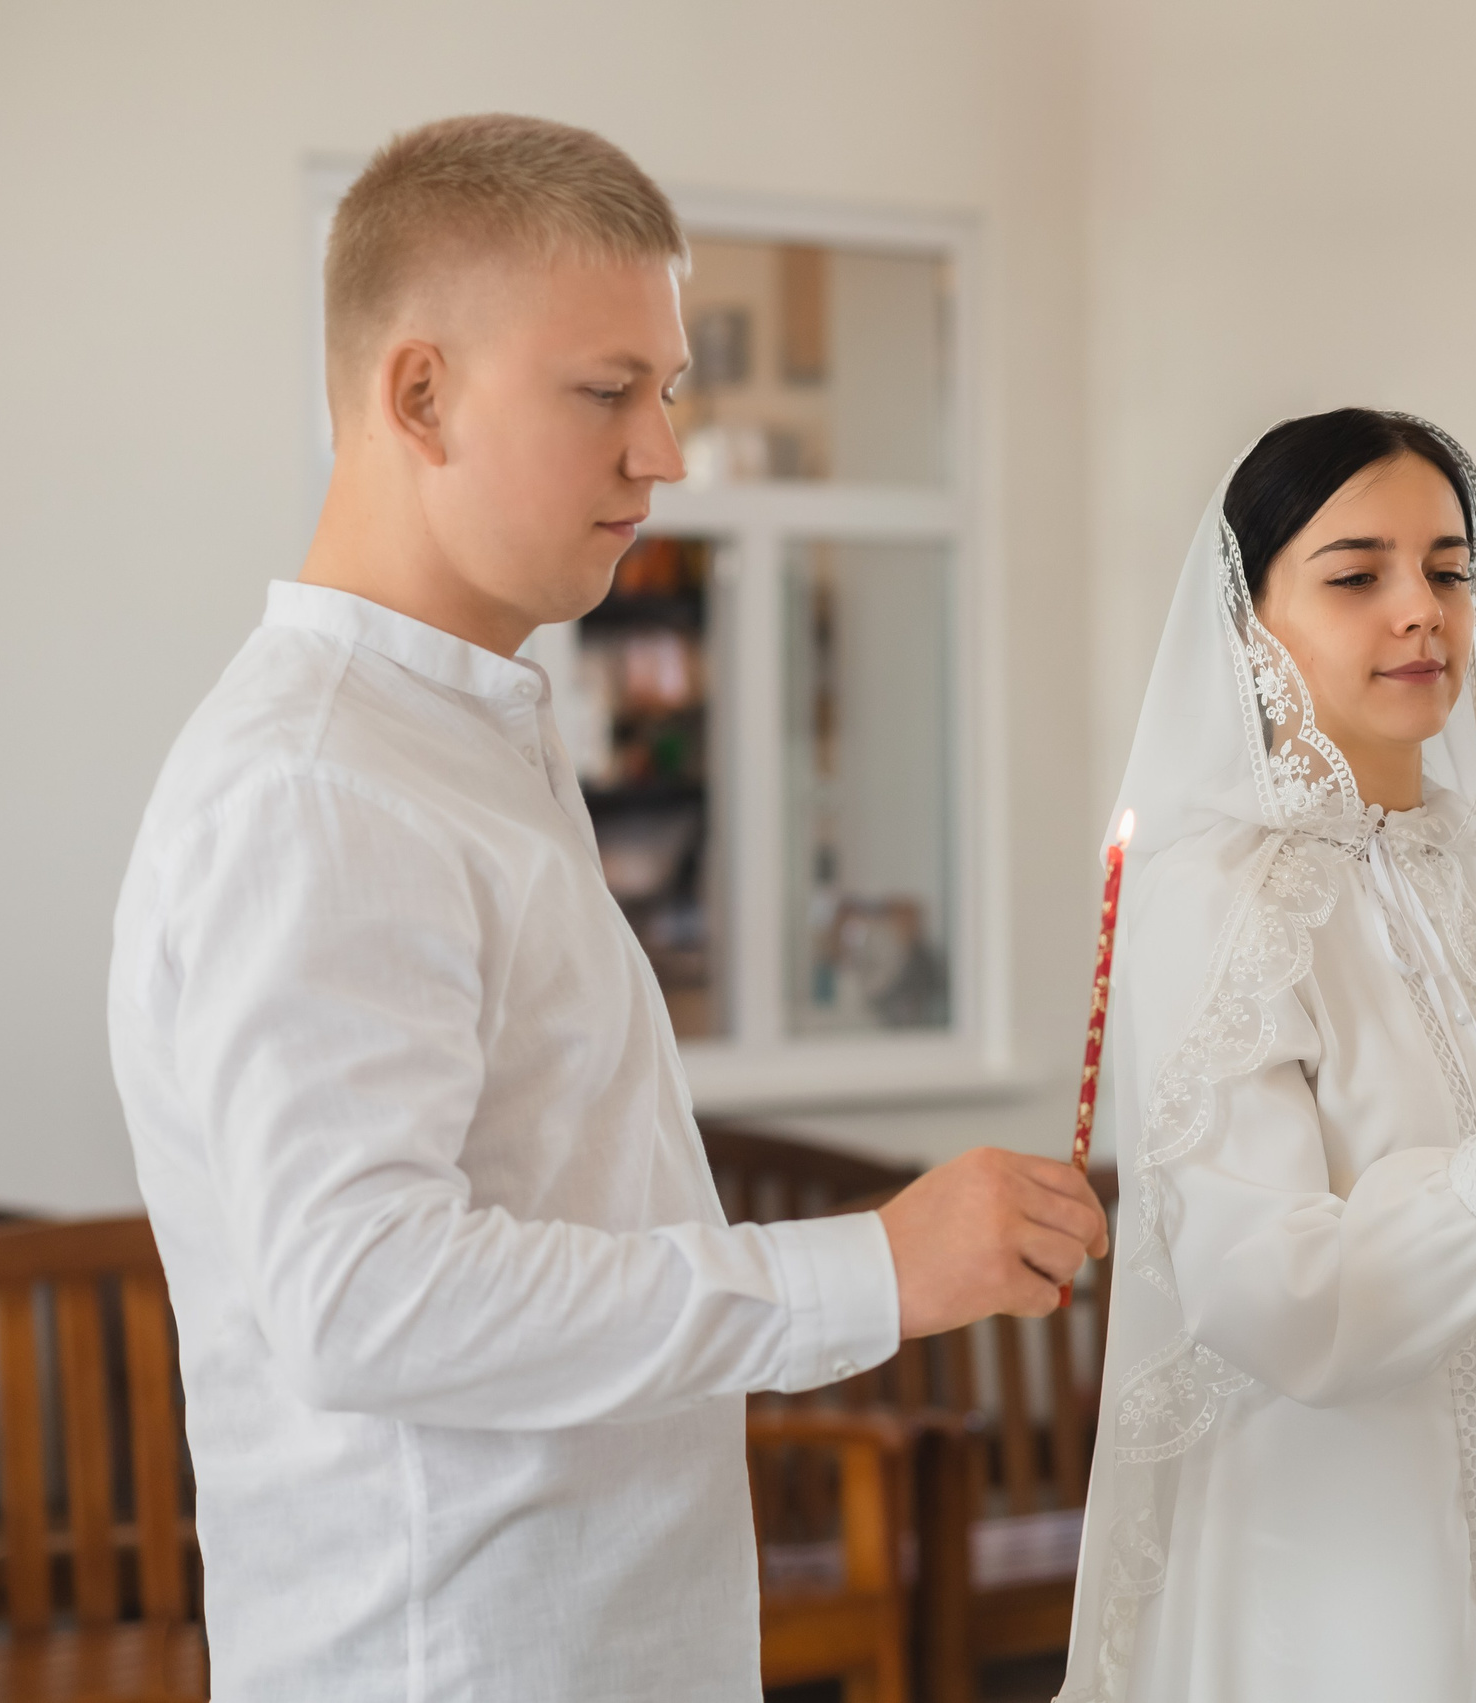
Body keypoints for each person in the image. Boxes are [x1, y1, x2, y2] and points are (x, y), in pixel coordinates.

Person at [106, 114, 1107, 1701]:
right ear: (417, 395)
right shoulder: (318, 787)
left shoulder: (464, 739)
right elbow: (366, 1298)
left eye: (669, 391)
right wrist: (871, 1271)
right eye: (606, 393)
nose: (666, 453)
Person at [1059, 409, 1476, 1703]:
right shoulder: (1216, 901)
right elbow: (1272, 1301)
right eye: (1357, 575)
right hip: (1336, 1586)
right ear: (1249, 622)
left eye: (1448, 570)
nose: (1420, 612)